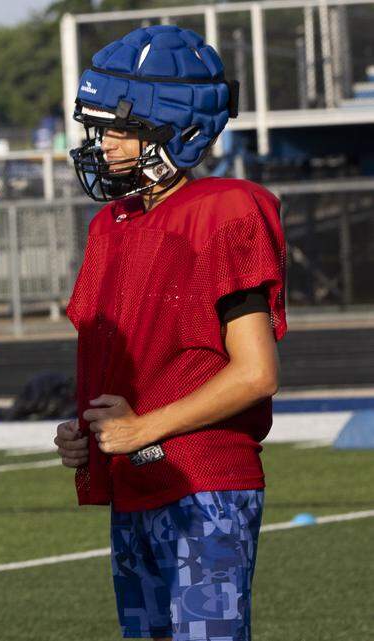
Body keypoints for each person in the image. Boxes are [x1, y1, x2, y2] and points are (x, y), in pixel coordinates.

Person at [53, 26, 286, 641]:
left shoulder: (227, 210)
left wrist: (143, 427)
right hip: (136, 483)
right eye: (100, 128)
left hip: (202, 485)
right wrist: (89, 430)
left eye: (122, 130)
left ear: (175, 131)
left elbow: (257, 371)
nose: (105, 146)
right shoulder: (114, 222)